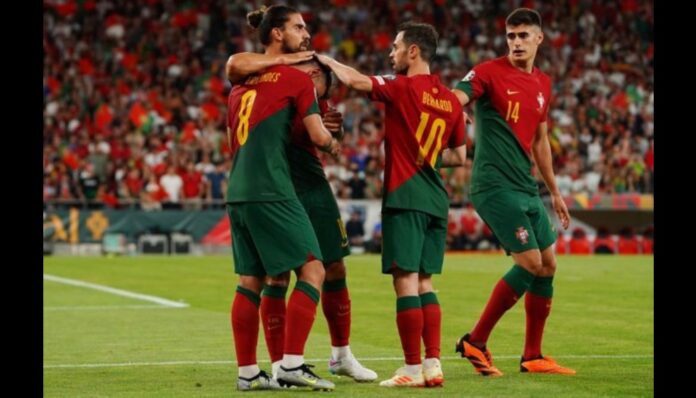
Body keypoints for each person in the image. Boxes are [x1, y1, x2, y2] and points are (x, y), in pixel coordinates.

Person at [226, 16, 378, 385]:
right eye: (299, 29)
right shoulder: (268, 74)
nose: (307, 36)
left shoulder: (253, 87)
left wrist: (326, 129)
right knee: (281, 276)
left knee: (333, 267)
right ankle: (284, 365)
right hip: (277, 188)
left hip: (303, 183)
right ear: (278, 34)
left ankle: (339, 355)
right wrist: (328, 138)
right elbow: (236, 64)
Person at [317, 21, 467, 387]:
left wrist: (326, 60)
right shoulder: (450, 100)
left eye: (396, 46)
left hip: (405, 195)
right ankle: (433, 365)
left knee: (405, 282)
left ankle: (412, 369)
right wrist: (427, 153)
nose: (391, 53)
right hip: (435, 199)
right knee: (426, 283)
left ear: (413, 51)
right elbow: (459, 156)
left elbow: (355, 81)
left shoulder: (401, 87)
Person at [450, 8, 575, 376]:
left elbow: (540, 140)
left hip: (526, 185)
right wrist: (452, 109)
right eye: (511, 36)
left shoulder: (543, 84)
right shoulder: (488, 72)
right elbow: (456, 95)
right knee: (530, 263)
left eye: (523, 35)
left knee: (548, 265)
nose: (516, 42)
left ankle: (533, 355)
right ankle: (476, 340)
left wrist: (554, 192)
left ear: (539, 38)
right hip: (493, 185)